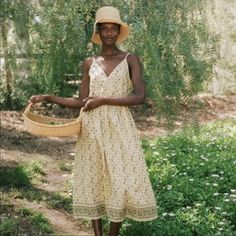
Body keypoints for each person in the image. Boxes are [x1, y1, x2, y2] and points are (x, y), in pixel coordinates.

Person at [29, 6, 157, 236]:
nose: (109, 33)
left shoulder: (130, 59)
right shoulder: (89, 62)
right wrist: (48, 97)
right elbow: (81, 101)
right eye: (104, 29)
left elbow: (139, 97)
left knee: (120, 178)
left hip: (120, 127)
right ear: (97, 32)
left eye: (113, 29)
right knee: (94, 177)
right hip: (91, 128)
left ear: (119, 32)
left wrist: (103, 100)